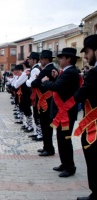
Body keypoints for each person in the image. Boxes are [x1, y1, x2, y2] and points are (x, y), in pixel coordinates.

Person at [42, 48, 81, 178]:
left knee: (65, 140)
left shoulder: (70, 73)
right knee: (61, 139)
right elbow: (60, 84)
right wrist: (55, 77)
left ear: (69, 59)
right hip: (63, 112)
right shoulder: (66, 72)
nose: (60, 60)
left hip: (66, 113)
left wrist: (46, 82)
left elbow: (56, 87)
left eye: (62, 58)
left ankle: (70, 167)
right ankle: (64, 163)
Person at [72, 34, 97, 200]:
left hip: (95, 123)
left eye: (87, 52)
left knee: (93, 155)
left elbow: (80, 95)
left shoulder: (95, 73)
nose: (85, 56)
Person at [31, 50, 58, 156]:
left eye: (42, 59)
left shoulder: (47, 69)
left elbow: (34, 83)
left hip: (46, 101)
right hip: (47, 100)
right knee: (45, 124)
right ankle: (46, 146)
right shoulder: (52, 69)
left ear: (47, 59)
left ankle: (49, 148)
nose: (40, 61)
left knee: (46, 125)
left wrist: (40, 82)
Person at [26, 52, 42, 141]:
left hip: (36, 94)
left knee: (36, 114)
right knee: (35, 113)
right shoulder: (34, 69)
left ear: (35, 60)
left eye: (30, 59)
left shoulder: (35, 70)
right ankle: (37, 132)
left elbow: (30, 83)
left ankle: (39, 134)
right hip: (35, 94)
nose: (29, 61)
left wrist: (27, 82)